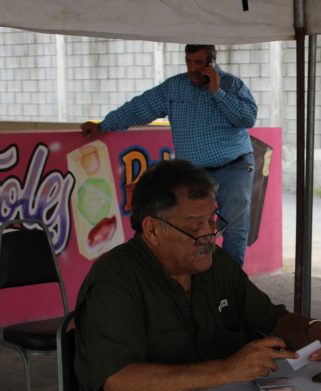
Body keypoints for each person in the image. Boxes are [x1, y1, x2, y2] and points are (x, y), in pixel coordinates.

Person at [74, 160, 321, 391]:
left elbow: (273, 321)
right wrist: (227, 369)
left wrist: (312, 330)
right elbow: (118, 382)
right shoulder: (114, 280)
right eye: (195, 227)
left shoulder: (216, 264)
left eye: (213, 222)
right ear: (153, 230)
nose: (209, 237)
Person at [81, 44, 256, 266]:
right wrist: (104, 125)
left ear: (212, 62)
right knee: (191, 227)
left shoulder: (232, 85)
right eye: (189, 62)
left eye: (199, 63)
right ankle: (201, 278)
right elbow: (140, 107)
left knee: (234, 228)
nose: (193, 69)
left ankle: (233, 283)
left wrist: (217, 92)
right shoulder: (175, 87)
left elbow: (247, 118)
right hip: (194, 173)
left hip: (234, 167)